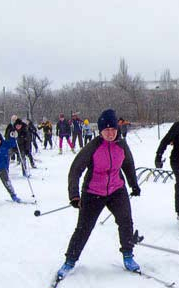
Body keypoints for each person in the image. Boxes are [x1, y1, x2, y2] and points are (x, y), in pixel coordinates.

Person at [56, 108, 141, 279]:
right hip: (93, 192)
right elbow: (75, 170)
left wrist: (134, 185)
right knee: (84, 228)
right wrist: (74, 195)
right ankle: (70, 260)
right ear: (100, 131)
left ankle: (128, 255)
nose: (110, 133)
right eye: (106, 130)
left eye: (113, 130)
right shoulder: (93, 147)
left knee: (126, 222)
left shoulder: (122, 145)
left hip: (117, 189)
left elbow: (128, 165)